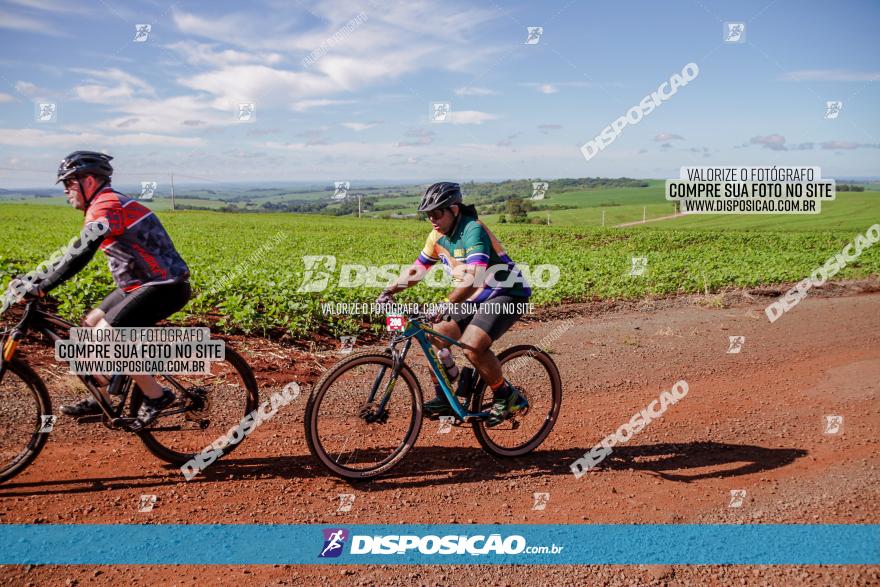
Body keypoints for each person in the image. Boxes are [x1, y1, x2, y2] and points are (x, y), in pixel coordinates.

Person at [10, 151, 191, 428]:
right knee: (89, 325)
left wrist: (43, 287)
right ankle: (104, 395)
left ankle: (156, 395)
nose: (66, 191)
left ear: (90, 181)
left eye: (69, 183)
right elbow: (71, 252)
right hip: (138, 285)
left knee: (107, 337)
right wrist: (34, 278)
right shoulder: (102, 205)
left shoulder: (106, 204)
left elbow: (82, 253)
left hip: (164, 285)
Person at [376, 182, 531, 427]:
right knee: (435, 334)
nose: (432, 220)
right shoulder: (437, 236)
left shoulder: (473, 230)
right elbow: (418, 269)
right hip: (474, 296)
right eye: (428, 216)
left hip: (506, 293)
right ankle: (448, 395)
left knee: (472, 346)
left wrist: (446, 303)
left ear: (454, 210)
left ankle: (506, 395)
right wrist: (389, 290)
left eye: (437, 213)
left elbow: (476, 276)